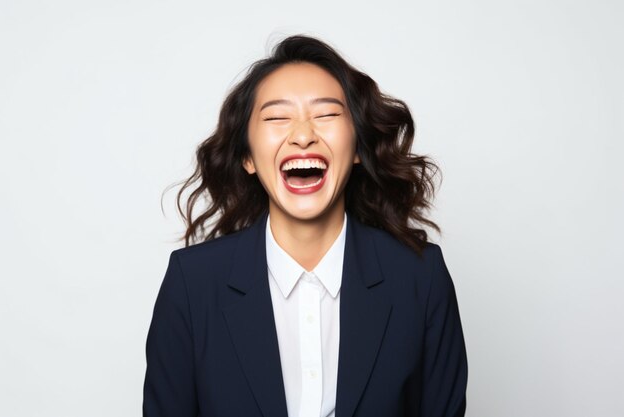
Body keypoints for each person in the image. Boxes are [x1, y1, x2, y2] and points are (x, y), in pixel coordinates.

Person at [143, 34, 468, 417]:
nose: (302, 135)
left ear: (359, 148)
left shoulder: (420, 277)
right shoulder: (192, 284)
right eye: (277, 117)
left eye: (327, 115)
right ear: (247, 157)